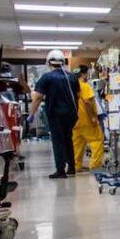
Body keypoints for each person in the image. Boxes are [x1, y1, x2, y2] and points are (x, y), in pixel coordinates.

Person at [28, 49, 80, 179]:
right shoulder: (72, 77)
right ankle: (72, 167)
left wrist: (31, 114)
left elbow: (38, 97)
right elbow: (78, 95)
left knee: (58, 141)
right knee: (68, 139)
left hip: (56, 114)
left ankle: (60, 170)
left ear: (48, 62)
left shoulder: (47, 77)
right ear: (63, 62)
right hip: (72, 114)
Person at [71, 65, 104, 171]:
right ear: (84, 74)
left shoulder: (71, 86)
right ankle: (95, 165)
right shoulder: (85, 86)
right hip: (87, 120)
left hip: (75, 121)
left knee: (78, 143)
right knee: (97, 140)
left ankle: (76, 165)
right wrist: (93, 118)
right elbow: (88, 102)